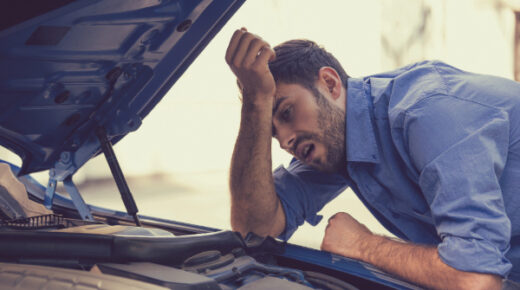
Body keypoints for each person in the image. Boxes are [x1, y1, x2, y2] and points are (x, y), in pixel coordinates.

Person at [225, 28, 520, 290]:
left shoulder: (427, 114)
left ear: (330, 83)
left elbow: (477, 280)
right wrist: (256, 104)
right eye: (274, 135)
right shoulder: (336, 141)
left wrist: (363, 246)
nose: (286, 141)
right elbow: (253, 229)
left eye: (287, 113)